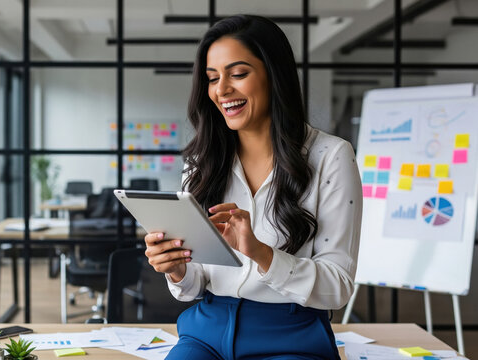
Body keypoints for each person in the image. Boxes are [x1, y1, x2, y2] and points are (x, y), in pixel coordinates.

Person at [143, 15, 362, 360]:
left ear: (274, 76)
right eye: (212, 78)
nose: (221, 90)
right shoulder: (202, 161)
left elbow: (337, 287)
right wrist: (176, 268)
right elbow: (193, 286)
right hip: (207, 332)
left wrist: (261, 252)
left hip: (290, 336)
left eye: (238, 74)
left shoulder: (331, 156)